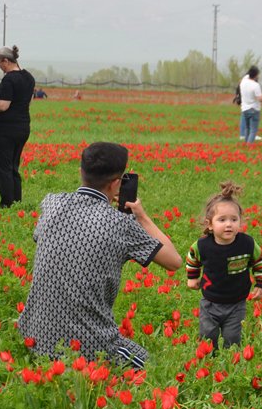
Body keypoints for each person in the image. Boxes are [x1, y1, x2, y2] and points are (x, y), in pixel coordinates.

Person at [18, 142, 183, 368]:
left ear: (81, 172)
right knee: (154, 370)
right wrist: (142, 217)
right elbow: (174, 261)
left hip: (35, 338)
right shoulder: (121, 224)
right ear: (117, 183)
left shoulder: (52, 203)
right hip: (91, 347)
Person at [185, 181, 262, 351]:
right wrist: (193, 278)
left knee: (233, 338)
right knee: (208, 335)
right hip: (210, 301)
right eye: (222, 220)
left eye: (233, 219)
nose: (229, 224)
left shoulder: (247, 244)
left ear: (241, 221)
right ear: (210, 224)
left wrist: (261, 284)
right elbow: (192, 258)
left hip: (236, 302)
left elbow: (260, 260)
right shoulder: (203, 246)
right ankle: (210, 359)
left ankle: (231, 361)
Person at [0, 45, 35, 209]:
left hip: (6, 130)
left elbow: (3, 106)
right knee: (14, 167)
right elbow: (29, 101)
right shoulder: (28, 77)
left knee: (3, 168)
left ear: (6, 61)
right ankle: (16, 201)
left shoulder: (9, 79)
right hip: (23, 127)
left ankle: (7, 203)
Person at [239, 65, 262, 144]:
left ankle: (246, 145)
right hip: (254, 109)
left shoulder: (243, 81)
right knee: (253, 130)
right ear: (256, 75)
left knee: (247, 129)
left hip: (244, 109)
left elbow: (246, 76)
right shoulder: (255, 85)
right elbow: (260, 99)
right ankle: (249, 146)